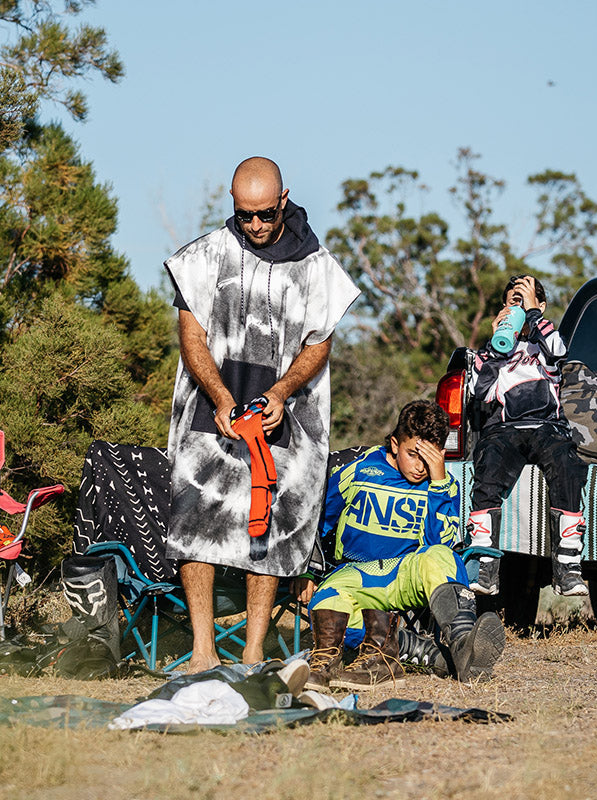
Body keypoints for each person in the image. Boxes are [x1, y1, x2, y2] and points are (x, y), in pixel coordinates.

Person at [165, 156, 360, 673]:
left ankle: (253, 652)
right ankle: (203, 652)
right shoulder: (206, 256)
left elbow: (318, 346)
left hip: (285, 412)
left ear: (284, 200)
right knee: (196, 520)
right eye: (243, 214)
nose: (254, 225)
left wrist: (280, 393)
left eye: (264, 215)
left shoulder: (316, 265)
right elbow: (192, 337)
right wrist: (221, 397)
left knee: (270, 529)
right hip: (215, 405)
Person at [298, 401, 505, 689]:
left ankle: (463, 645)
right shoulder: (357, 469)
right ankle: (413, 648)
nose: (420, 467)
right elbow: (318, 522)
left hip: (407, 574)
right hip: (355, 575)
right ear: (395, 444)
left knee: (441, 556)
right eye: (413, 454)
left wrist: (440, 481)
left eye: (429, 458)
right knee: (326, 601)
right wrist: (307, 571)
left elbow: (443, 545)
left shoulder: (443, 484)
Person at [466, 274, 589, 597]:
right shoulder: (491, 353)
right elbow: (480, 392)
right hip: (505, 428)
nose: (517, 305)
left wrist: (533, 315)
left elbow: (558, 352)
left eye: (525, 298)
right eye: (512, 300)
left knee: (567, 464)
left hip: (547, 426)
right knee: (488, 467)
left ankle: (567, 566)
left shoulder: (544, 342)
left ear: (540, 305)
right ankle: (485, 565)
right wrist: (496, 346)